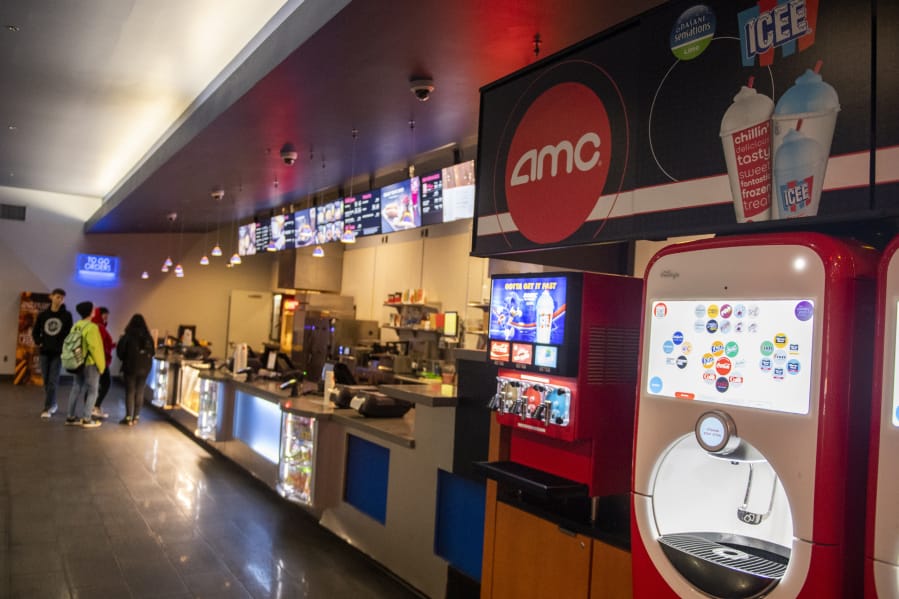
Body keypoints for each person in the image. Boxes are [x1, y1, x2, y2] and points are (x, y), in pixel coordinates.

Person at [32, 288, 73, 419]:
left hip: (58, 353)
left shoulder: (67, 316)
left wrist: (64, 347)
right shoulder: (43, 315)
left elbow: (69, 334)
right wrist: (39, 341)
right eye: (57, 297)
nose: (59, 300)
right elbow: (35, 331)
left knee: (53, 381)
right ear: (51, 297)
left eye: (62, 298)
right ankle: (53, 403)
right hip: (44, 352)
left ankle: (47, 408)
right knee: (46, 380)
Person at [64, 301, 106, 428]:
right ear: (89, 311)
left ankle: (70, 416)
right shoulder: (92, 327)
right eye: (93, 308)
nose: (94, 310)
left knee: (76, 388)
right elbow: (95, 348)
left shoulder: (76, 325)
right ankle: (87, 418)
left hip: (78, 362)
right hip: (90, 364)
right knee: (93, 391)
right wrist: (102, 366)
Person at [116, 313, 154, 426]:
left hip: (130, 367)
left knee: (130, 392)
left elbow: (120, 353)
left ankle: (128, 418)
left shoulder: (127, 336)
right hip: (145, 368)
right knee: (140, 391)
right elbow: (153, 352)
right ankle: (136, 417)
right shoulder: (148, 337)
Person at [90, 306, 115, 419]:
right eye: (105, 315)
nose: (106, 318)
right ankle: (95, 406)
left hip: (96, 360)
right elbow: (102, 345)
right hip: (101, 360)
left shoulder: (95, 325)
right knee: (105, 383)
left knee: (94, 384)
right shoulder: (99, 327)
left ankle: (91, 407)